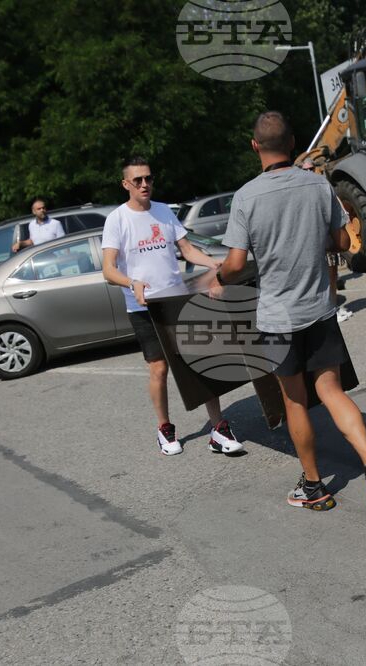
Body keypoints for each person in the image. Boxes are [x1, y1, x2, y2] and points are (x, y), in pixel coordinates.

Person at [213, 111, 366, 525]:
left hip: (278, 318)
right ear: (294, 142)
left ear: (255, 146)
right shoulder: (318, 185)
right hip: (319, 308)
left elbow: (236, 264)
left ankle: (314, 488)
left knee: (295, 400)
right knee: (333, 392)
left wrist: (219, 274)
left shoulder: (245, 197)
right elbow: (339, 241)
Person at [102, 157, 243, 456]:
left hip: (177, 300)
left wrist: (213, 263)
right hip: (143, 307)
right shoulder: (117, 219)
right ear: (125, 184)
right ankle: (165, 428)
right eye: (138, 180)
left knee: (201, 359)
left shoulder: (164, 211)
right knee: (159, 369)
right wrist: (133, 284)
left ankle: (217, 429)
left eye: (148, 179)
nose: (145, 184)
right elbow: (108, 269)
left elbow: (188, 249)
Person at [300, 158, 353, 323]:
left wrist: (344, 215)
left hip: (327, 234)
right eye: (306, 169)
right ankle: (329, 311)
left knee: (332, 274)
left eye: (311, 168)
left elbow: (335, 202)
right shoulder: (307, 186)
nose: (309, 171)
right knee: (327, 275)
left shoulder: (320, 183)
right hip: (321, 237)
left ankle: (332, 308)